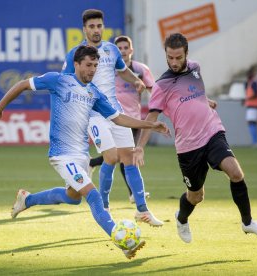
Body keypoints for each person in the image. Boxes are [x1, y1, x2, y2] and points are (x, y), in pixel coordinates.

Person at [0, 45, 169, 258]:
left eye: (95, 65)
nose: (92, 69)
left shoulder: (94, 93)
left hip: (81, 155)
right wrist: (0, 107)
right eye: (88, 65)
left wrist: (150, 125)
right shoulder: (59, 80)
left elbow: (118, 118)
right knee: (93, 196)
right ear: (76, 64)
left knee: (73, 197)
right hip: (61, 155)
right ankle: (121, 239)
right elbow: (22, 84)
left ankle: (26, 199)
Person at [134, 33, 257, 244]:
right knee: (196, 196)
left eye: (178, 57)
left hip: (212, 132)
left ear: (186, 54)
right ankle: (181, 218)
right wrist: (140, 147)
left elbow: (192, 93)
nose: (173, 62)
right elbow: (151, 117)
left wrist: (204, 101)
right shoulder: (161, 85)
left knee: (235, 172)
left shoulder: (195, 68)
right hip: (188, 147)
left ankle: (248, 222)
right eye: (169, 57)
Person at [62, 9, 163, 226]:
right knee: (111, 157)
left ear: (103, 27)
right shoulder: (75, 54)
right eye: (91, 26)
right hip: (92, 115)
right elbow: (64, 83)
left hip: (116, 112)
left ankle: (142, 210)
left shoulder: (111, 50)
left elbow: (123, 70)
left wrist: (136, 80)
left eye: (99, 26)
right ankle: (105, 207)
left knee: (130, 158)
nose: (96, 30)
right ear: (84, 29)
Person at [89, 35, 155, 204]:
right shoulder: (107, 69)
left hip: (133, 119)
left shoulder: (140, 70)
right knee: (125, 156)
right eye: (120, 49)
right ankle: (133, 195)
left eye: (126, 48)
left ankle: (92, 163)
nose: (123, 51)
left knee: (120, 156)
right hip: (113, 118)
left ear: (131, 50)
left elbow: (154, 90)